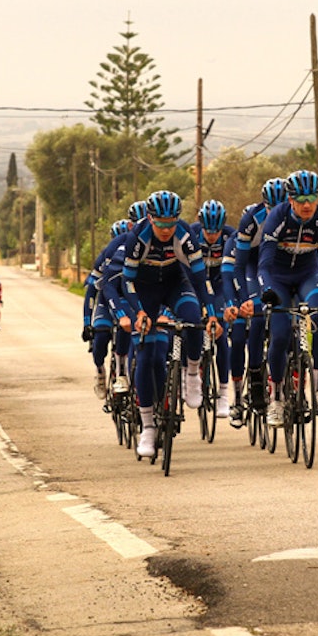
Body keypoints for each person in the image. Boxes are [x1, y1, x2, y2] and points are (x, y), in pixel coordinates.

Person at [109, 190, 222, 458]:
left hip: (174, 285)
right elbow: (126, 281)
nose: (165, 229)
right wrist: (138, 312)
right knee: (147, 356)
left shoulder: (184, 235)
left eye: (170, 223)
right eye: (160, 223)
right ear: (150, 219)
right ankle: (148, 426)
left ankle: (192, 374)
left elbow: (198, 277)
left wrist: (212, 311)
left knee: (193, 320)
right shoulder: (139, 236)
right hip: (144, 290)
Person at [257, 170, 318, 427]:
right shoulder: (277, 217)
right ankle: (275, 400)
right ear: (291, 199)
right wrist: (266, 290)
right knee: (281, 333)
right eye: (301, 198)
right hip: (278, 279)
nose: (307, 204)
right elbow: (263, 264)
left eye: (312, 197)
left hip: (309, 275)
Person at [232, 178, 289, 412]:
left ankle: (294, 372)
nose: (274, 213)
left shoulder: (296, 218)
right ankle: (255, 376)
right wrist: (245, 298)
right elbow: (239, 264)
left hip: (283, 267)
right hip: (255, 268)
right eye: (270, 208)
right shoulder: (252, 220)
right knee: (257, 316)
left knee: (291, 316)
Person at [189, 199, 236, 418]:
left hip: (219, 288)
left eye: (216, 231)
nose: (212, 236)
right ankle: (193, 373)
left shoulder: (230, 236)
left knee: (220, 335)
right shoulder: (190, 234)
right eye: (208, 231)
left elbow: (233, 272)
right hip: (195, 286)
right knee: (194, 327)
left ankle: (223, 395)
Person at [84, 216, 136, 399]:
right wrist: (86, 323)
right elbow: (91, 291)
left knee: (127, 331)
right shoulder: (105, 257)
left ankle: (124, 372)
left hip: (127, 300)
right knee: (100, 338)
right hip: (106, 302)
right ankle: (100, 372)